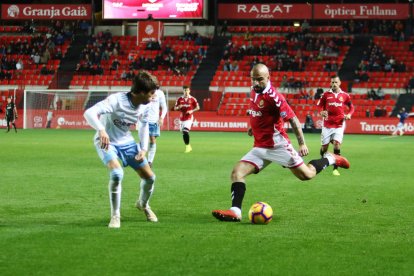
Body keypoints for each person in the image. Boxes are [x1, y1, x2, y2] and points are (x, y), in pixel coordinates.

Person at [211, 64, 350, 222]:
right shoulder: (254, 91)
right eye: (253, 79)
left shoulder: (274, 97)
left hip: (278, 145)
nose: (256, 83)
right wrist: (253, 128)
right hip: (260, 146)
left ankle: (331, 158)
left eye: (260, 80)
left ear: (268, 78)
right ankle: (235, 211)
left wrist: (302, 143)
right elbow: (258, 113)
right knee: (237, 173)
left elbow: (293, 119)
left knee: (307, 175)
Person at [83, 71, 159, 228]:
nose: (153, 97)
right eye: (151, 93)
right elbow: (89, 113)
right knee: (117, 173)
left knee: (150, 178)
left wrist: (143, 148)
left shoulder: (147, 105)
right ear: (141, 92)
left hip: (127, 142)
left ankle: (143, 204)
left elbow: (144, 125)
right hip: (107, 142)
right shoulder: (116, 100)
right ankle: (115, 215)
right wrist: (101, 130)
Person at [317, 75, 354, 176]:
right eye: (332, 82)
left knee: (337, 145)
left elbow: (351, 107)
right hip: (327, 125)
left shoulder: (345, 95)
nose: (334, 84)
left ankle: (335, 168)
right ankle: (322, 160)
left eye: (336, 82)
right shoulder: (325, 94)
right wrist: (321, 112)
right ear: (330, 83)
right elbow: (319, 106)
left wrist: (349, 114)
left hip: (339, 124)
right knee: (324, 148)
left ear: (340, 83)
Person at [138, 86, 167, 167]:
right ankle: (140, 158)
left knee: (152, 139)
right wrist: (138, 114)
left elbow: (164, 107)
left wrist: (161, 118)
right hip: (143, 120)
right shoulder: (144, 91)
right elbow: (139, 104)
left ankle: (150, 161)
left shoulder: (160, 93)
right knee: (142, 141)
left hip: (154, 121)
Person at [174, 85, 200, 153]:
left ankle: (188, 147)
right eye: (185, 90)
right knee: (183, 133)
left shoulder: (193, 99)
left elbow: (198, 107)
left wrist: (191, 111)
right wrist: (178, 107)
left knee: (185, 131)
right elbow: (175, 108)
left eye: (187, 90)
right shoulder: (179, 99)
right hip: (182, 118)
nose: (186, 92)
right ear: (183, 91)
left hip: (189, 117)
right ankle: (188, 146)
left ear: (189, 91)